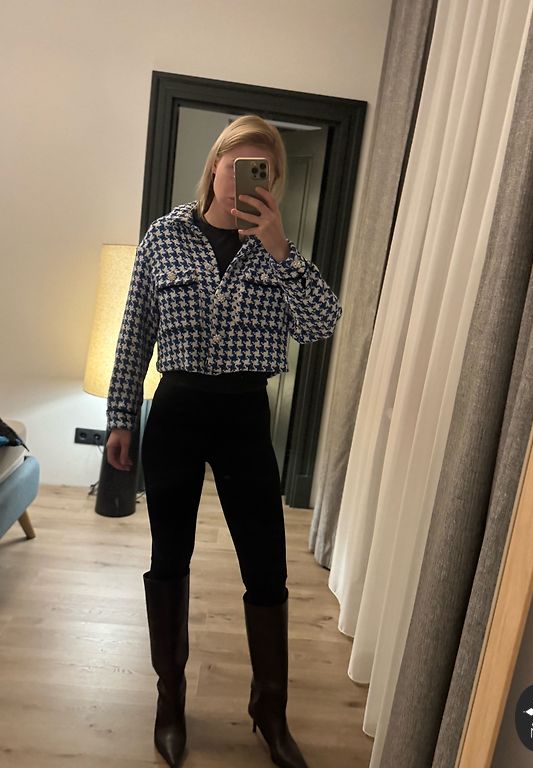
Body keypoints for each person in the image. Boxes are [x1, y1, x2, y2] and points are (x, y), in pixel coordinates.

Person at [105, 114, 342, 768]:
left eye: (259, 171)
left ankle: (270, 708)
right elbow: (135, 329)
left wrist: (281, 250)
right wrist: (120, 415)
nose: (242, 181)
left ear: (274, 181)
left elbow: (322, 323)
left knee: (266, 565)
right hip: (176, 411)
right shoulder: (165, 237)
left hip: (243, 416)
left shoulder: (278, 249)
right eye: (234, 166)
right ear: (213, 166)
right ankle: (171, 697)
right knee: (169, 557)